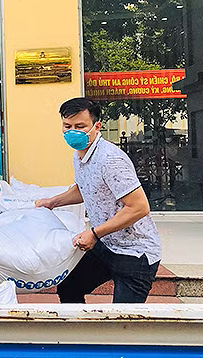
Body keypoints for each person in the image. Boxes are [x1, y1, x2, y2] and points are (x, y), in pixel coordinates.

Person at [36, 97, 162, 303]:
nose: (72, 132)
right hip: (107, 244)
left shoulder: (110, 159)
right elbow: (85, 187)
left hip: (135, 253)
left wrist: (94, 234)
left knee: (122, 322)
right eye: (67, 126)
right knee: (69, 287)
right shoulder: (80, 154)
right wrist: (52, 202)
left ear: (97, 126)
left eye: (80, 126)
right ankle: (81, 335)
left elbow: (139, 207)